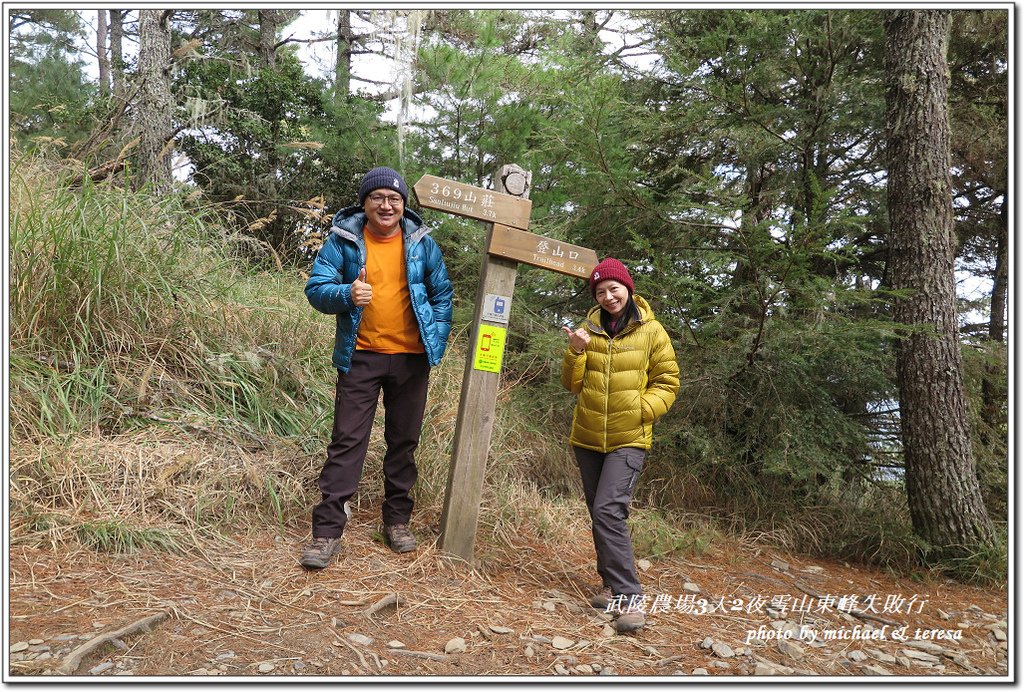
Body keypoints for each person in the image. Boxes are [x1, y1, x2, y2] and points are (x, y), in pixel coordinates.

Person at [301, 166, 453, 569]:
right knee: (347, 441)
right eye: (378, 198)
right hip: (361, 355)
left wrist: (434, 339)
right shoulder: (344, 241)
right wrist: (347, 293)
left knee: (404, 442)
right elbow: (316, 289)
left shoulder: (423, 244)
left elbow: (442, 295)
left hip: (411, 359)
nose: (386, 205)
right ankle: (327, 531)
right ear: (364, 203)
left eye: (394, 199)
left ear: (403, 206)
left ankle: (397, 521)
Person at [560, 257, 680, 633]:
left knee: (609, 511)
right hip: (588, 437)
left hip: (629, 439)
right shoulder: (587, 329)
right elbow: (572, 384)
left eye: (614, 289)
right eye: (601, 291)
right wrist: (576, 352)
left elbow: (668, 381)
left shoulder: (652, 331)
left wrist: (643, 410)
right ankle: (610, 586)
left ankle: (630, 598)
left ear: (628, 289)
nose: (609, 296)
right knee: (599, 512)